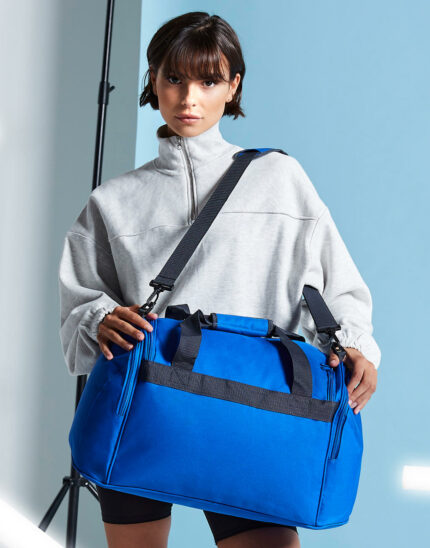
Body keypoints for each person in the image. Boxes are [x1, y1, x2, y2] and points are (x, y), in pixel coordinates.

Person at [58, 11, 381, 548]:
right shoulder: (112, 202)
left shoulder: (279, 178)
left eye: (209, 81)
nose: (189, 98)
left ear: (233, 87)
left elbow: (337, 283)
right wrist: (100, 320)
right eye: (174, 78)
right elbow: (80, 302)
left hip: (250, 404)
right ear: (153, 80)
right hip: (143, 402)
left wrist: (353, 344)